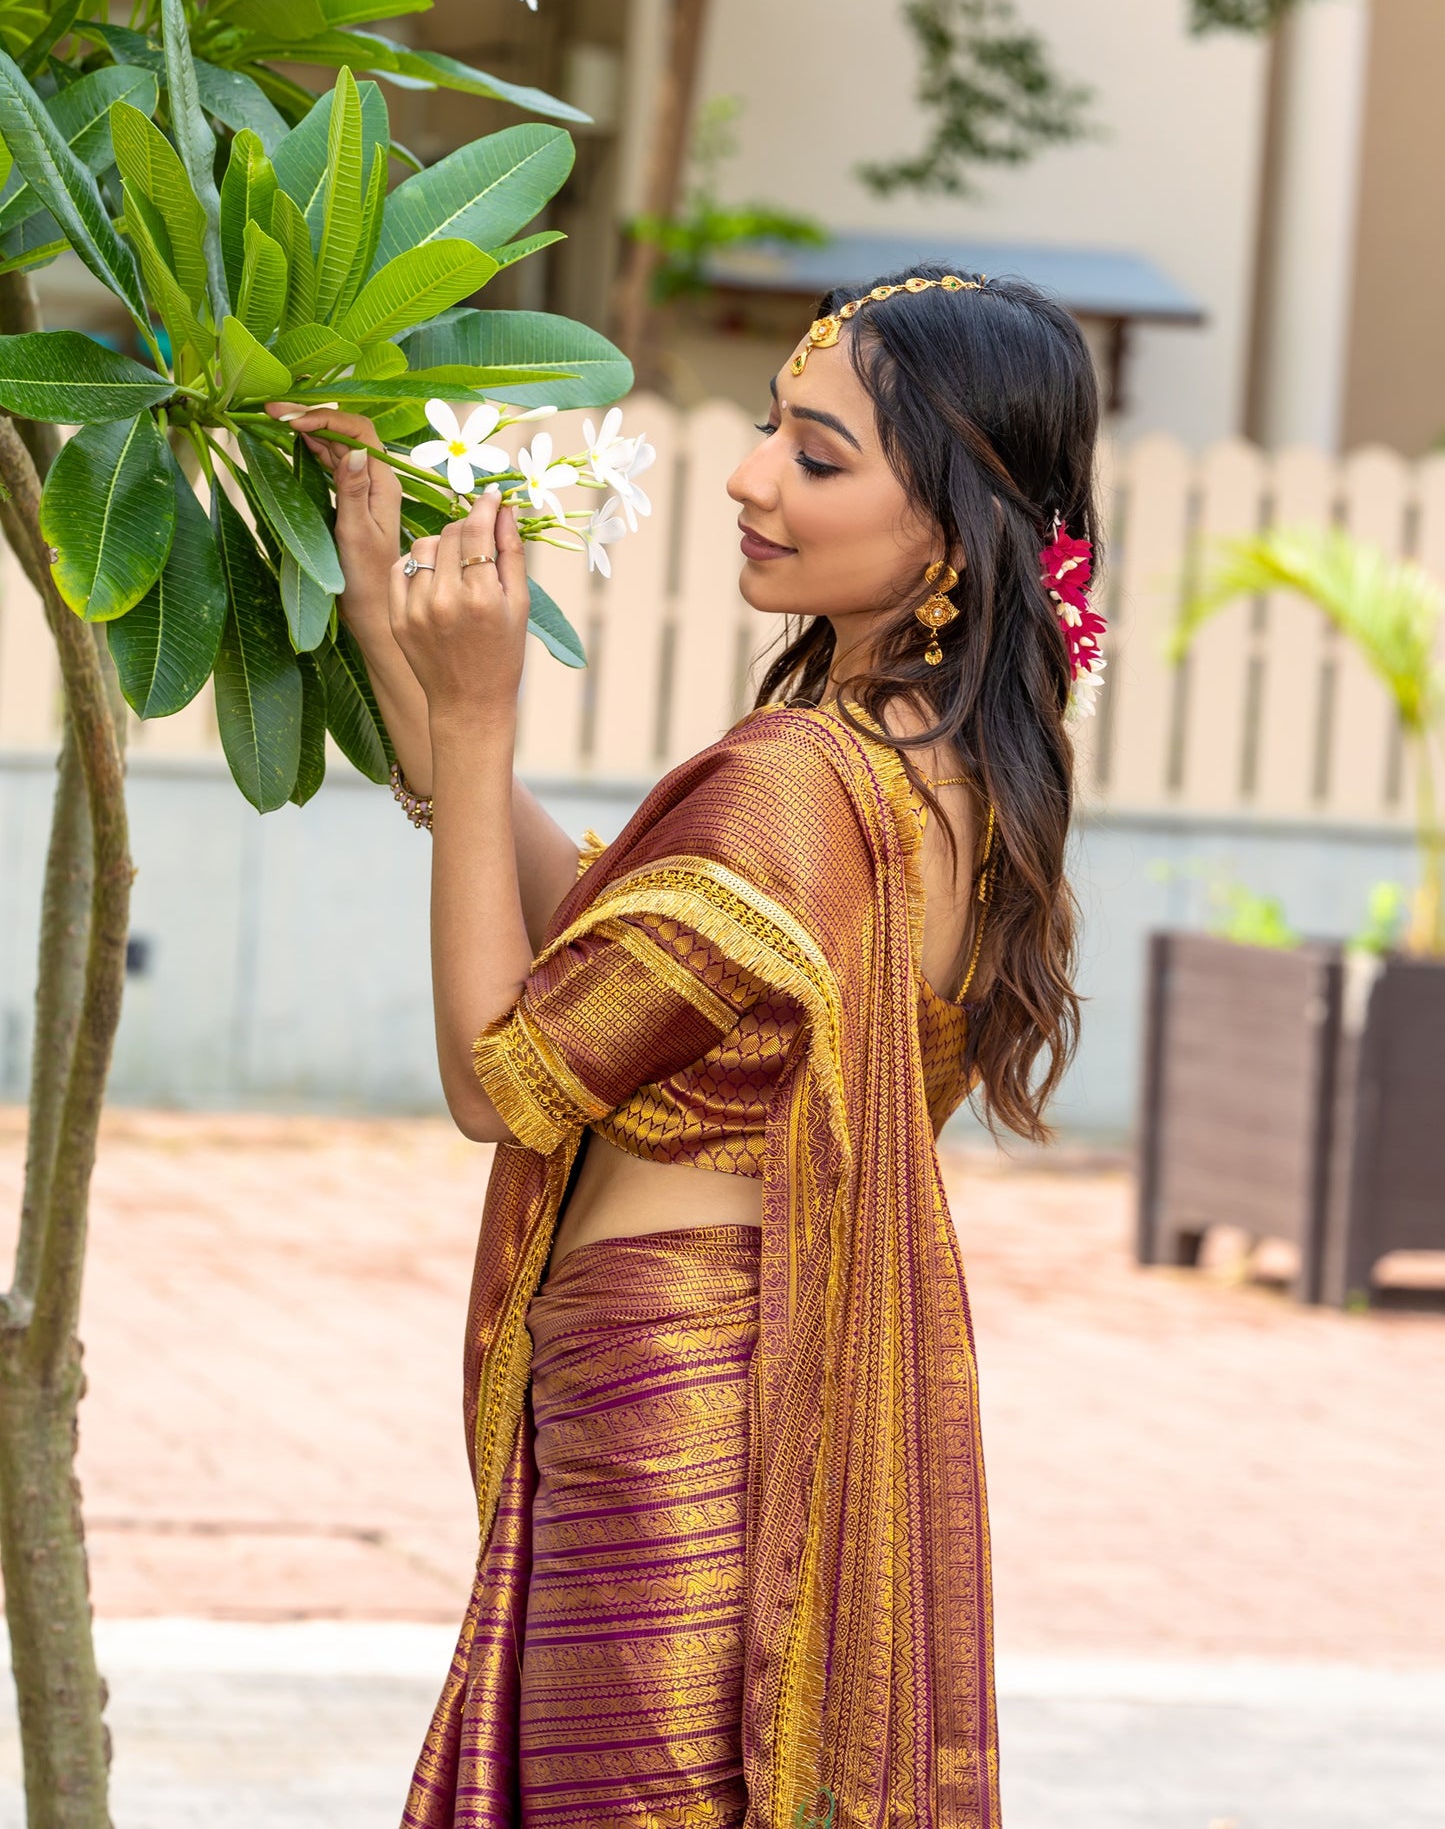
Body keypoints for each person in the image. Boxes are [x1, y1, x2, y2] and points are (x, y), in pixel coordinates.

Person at [276, 265, 1100, 1829]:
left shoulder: (797, 783)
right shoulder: (954, 785)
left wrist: (475, 719)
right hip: (728, 1387)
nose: (746, 477)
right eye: (768, 432)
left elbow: (496, 1077)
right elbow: (603, 935)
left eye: (816, 452)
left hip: (670, 1419)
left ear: (946, 529)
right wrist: (401, 640)